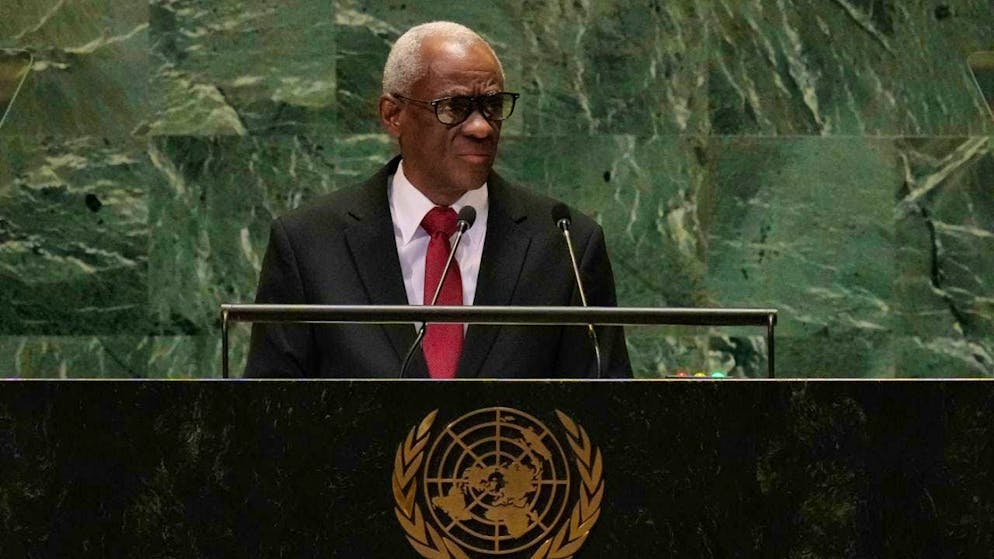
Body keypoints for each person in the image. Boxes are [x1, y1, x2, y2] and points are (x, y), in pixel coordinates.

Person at [245, 21, 630, 378]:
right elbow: (268, 416)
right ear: (393, 114)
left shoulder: (564, 244)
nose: (481, 127)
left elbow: (606, 415)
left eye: (492, 106)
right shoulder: (309, 243)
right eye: (454, 108)